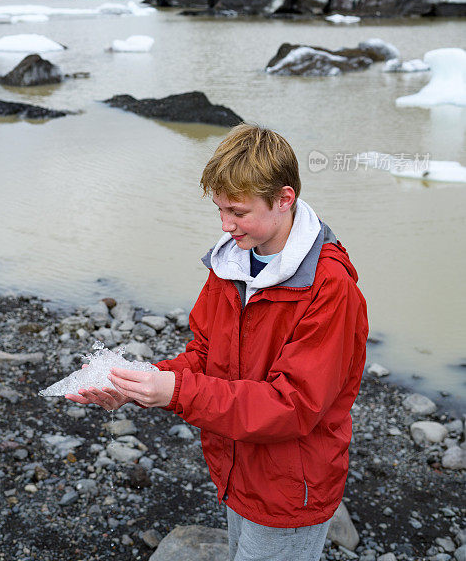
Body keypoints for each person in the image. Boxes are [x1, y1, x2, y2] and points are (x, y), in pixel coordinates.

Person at [67, 123, 368, 561]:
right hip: (237, 470)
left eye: (238, 212)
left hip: (290, 488)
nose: (226, 226)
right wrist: (138, 383)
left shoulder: (330, 288)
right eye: (220, 210)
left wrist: (175, 392)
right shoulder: (231, 264)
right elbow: (205, 356)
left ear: (285, 199)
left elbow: (294, 405)